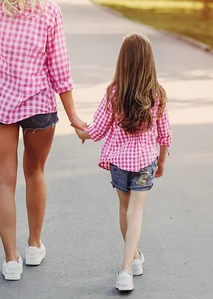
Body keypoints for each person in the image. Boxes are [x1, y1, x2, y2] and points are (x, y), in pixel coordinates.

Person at [0, 0, 86, 281]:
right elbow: (60, 71)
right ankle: (35, 245)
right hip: (39, 105)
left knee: (4, 182)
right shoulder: (49, 11)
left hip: (1, 106)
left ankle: (11, 260)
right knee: (34, 172)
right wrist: (74, 117)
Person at [75, 33, 172, 292]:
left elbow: (96, 130)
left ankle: (133, 261)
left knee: (124, 210)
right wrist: (161, 161)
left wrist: (80, 131)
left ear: (123, 61)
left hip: (118, 163)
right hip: (144, 163)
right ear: (149, 62)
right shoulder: (157, 94)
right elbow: (165, 134)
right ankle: (127, 268)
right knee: (135, 213)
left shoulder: (113, 93)